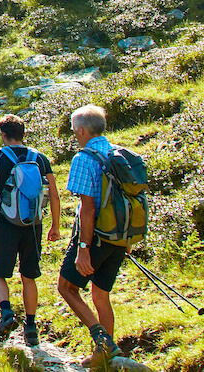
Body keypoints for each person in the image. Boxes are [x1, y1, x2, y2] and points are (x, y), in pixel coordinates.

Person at [0, 114, 61, 348]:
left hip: (6, 222)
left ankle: (6, 312)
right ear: (23, 133)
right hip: (34, 223)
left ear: (3, 134)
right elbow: (53, 194)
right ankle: (31, 327)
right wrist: (54, 224)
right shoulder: (40, 158)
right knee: (29, 275)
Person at [56, 105, 126, 367]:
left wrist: (83, 247)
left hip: (93, 237)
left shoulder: (84, 158)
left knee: (66, 287)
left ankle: (102, 339)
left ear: (82, 130)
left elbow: (88, 207)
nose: (75, 135)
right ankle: (106, 356)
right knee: (100, 294)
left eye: (75, 131)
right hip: (117, 236)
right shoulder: (118, 153)